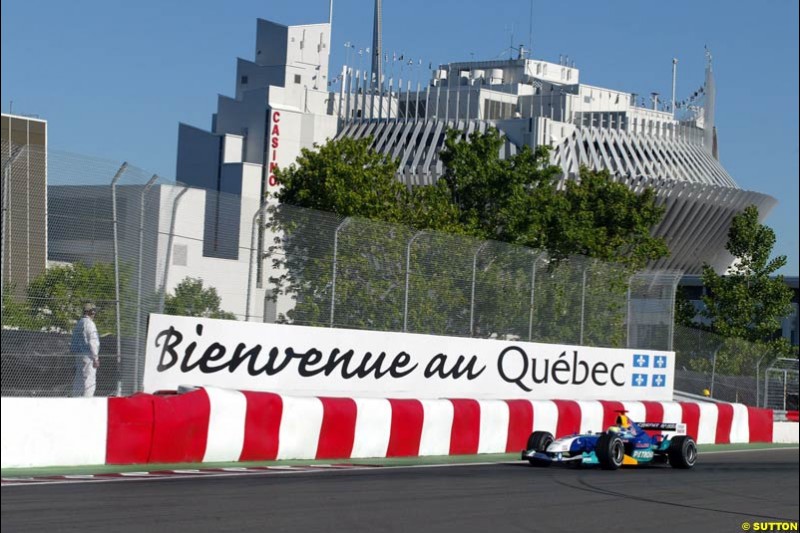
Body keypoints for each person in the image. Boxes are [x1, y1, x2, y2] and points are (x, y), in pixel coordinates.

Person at [71, 302, 100, 397]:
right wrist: (95, 358)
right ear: (91, 312)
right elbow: (93, 341)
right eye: (94, 311)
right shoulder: (90, 324)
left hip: (78, 354)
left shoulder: (79, 323)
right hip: (88, 355)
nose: (95, 314)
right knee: (89, 380)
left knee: (79, 378)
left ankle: (76, 398)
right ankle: (87, 401)